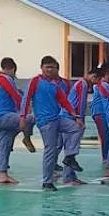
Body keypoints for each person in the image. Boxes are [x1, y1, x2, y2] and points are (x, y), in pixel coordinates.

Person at [20, 56, 81, 191]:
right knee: (50, 150)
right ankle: (47, 181)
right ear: (41, 68)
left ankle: (70, 156)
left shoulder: (55, 84)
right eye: (47, 67)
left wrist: (74, 115)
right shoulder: (35, 81)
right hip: (45, 121)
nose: (50, 69)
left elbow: (64, 101)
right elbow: (26, 98)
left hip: (57, 119)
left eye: (52, 67)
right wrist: (23, 116)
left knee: (77, 128)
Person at [0, 57, 30, 186]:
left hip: (1, 116)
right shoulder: (4, 79)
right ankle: (26, 137)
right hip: (5, 116)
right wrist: (23, 112)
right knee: (30, 119)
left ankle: (3, 174)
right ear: (12, 69)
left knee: (4, 145)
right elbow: (15, 96)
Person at [57, 67, 101, 186]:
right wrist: (79, 118)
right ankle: (67, 178)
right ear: (93, 76)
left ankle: (71, 176)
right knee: (70, 149)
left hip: (69, 116)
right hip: (69, 117)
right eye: (96, 80)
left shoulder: (81, 83)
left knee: (70, 148)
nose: (95, 83)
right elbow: (81, 103)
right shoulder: (83, 84)